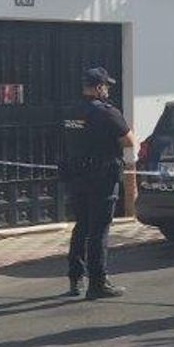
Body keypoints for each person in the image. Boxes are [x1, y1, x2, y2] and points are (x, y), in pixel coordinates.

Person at [61, 67, 133, 299]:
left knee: (81, 226)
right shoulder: (106, 112)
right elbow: (129, 140)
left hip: (77, 175)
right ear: (100, 87)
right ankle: (98, 283)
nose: (108, 90)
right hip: (102, 177)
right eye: (106, 86)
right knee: (99, 229)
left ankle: (75, 279)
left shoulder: (72, 111)